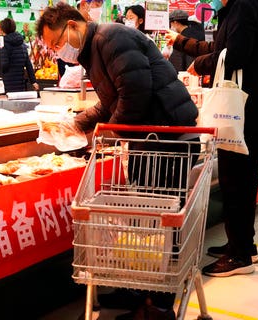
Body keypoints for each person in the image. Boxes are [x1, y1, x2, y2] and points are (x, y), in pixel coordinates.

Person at [36, 3, 199, 319]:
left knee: (163, 222)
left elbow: (135, 94)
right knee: (145, 221)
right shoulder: (95, 50)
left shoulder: (111, 38)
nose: (58, 51)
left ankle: (161, 303)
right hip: (149, 140)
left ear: (72, 25)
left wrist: (106, 135)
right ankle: (140, 291)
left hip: (167, 138)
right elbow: (112, 100)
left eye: (56, 43)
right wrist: (78, 123)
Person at [166, 0, 258, 277]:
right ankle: (243, 244)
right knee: (238, 181)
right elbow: (220, 49)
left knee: (238, 182)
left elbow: (234, 57)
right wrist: (183, 42)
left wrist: (199, 65)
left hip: (242, 113)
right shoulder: (238, 10)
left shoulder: (244, 7)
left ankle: (239, 255)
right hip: (244, 112)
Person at [0, 18, 38, 92]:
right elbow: (28, 64)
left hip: (8, 85)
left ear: (3, 30)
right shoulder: (22, 43)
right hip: (20, 84)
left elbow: (4, 65)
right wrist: (33, 81)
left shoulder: (4, 44)